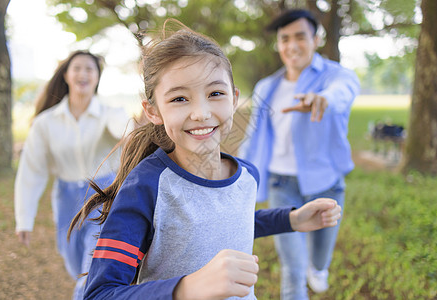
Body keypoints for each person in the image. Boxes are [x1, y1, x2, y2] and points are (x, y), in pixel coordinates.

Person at [69, 21, 342, 300]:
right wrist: (187, 288)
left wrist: (291, 219)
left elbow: (227, 219)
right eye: (179, 98)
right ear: (153, 111)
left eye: (215, 94)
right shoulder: (146, 187)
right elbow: (100, 293)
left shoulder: (247, 175)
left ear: (234, 99)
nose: (200, 113)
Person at [239, 9, 360, 300]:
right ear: (279, 44)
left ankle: (318, 268)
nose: (292, 45)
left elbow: (343, 91)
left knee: (319, 260)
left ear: (316, 39)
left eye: (300, 37)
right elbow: (254, 137)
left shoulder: (336, 76)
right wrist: (237, 171)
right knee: (292, 268)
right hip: (282, 185)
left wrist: (323, 99)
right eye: (285, 39)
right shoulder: (267, 87)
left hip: (327, 183)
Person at [14, 50, 131, 300]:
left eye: (90, 69)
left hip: (103, 195)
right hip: (66, 199)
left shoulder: (109, 113)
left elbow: (124, 127)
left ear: (98, 77)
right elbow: (31, 172)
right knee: (74, 261)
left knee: (92, 265)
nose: (83, 74)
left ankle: (84, 294)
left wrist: (129, 133)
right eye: (77, 68)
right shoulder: (45, 123)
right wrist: (25, 218)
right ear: (66, 74)